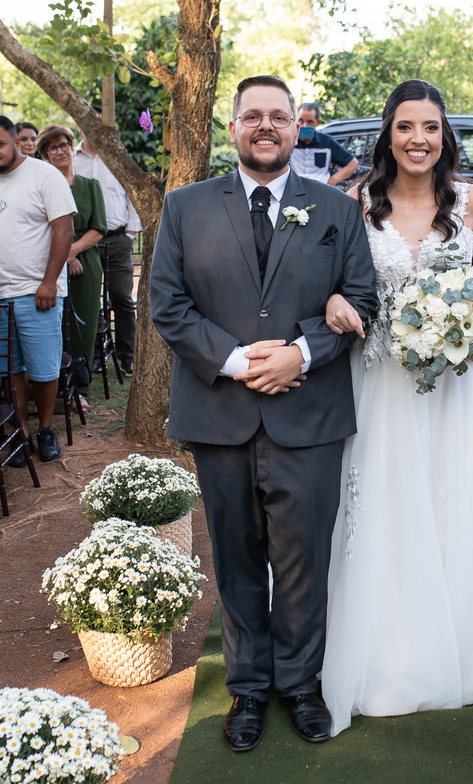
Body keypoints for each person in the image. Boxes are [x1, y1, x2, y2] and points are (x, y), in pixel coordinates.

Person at [148, 74, 377, 751]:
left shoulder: (336, 210)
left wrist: (302, 352)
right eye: (253, 116)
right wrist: (241, 361)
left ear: (296, 127)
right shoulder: (185, 208)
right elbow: (167, 302)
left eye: (279, 116)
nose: (267, 126)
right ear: (233, 127)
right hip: (219, 413)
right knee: (238, 556)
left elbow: (361, 299)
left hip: (308, 415)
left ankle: (300, 685)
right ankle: (248, 689)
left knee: (304, 557)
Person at [321, 79, 473, 737]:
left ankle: (467, 636)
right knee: (385, 501)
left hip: (454, 386)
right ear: (387, 136)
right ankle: (386, 644)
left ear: (445, 135)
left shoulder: (470, 201)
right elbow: (330, 282)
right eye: (405, 127)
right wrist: (338, 304)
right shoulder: (358, 203)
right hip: (380, 382)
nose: (418, 139)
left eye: (430, 127)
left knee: (453, 498)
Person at [0, 115, 75, 463]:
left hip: (37, 293)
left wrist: (49, 282)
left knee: (44, 369)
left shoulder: (45, 175)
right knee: (9, 370)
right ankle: (20, 432)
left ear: (17, 142)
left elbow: (63, 230)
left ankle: (45, 430)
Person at [38, 124, 106, 407]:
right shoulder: (41, 186)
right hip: (47, 262)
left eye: (64, 144)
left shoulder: (90, 186)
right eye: (52, 147)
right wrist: (64, 255)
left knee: (83, 327)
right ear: (44, 155)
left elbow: (98, 228)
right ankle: (51, 386)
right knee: (54, 326)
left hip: (85, 263)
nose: (60, 151)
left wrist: (72, 251)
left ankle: (80, 388)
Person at [73, 115, 141, 376]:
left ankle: (127, 355)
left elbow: (133, 196)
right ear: (80, 125)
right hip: (80, 241)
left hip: (116, 238)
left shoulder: (118, 157)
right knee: (86, 299)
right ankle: (94, 354)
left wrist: (131, 234)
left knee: (122, 297)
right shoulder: (72, 158)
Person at [289, 102, 359, 187]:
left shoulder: (326, 142)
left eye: (310, 122)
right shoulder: (289, 141)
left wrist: (333, 180)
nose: (305, 125)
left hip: (320, 192)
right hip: (295, 191)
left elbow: (353, 163)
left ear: (318, 122)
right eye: (301, 121)